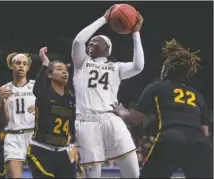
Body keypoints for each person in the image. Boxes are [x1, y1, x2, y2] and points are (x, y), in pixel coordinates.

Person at [111, 39, 213, 178]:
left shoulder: (157, 86)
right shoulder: (197, 95)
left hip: (171, 138)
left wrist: (122, 112)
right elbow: (206, 131)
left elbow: (134, 120)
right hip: (200, 143)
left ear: (167, 69)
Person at [71, 5, 144, 178]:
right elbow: (78, 42)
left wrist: (136, 33)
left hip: (111, 118)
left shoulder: (117, 67)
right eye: (91, 42)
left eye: (96, 42)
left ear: (107, 48)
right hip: (86, 122)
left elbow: (138, 66)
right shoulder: (81, 63)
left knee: (133, 174)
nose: (91, 43)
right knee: (92, 175)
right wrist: (104, 19)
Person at [26, 47, 76, 178]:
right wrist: (45, 63)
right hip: (40, 151)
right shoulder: (44, 93)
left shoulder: (71, 98)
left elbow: (73, 125)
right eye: (59, 69)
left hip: (62, 153)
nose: (65, 72)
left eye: (66, 70)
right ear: (49, 75)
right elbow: (37, 88)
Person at [0, 53, 36, 178]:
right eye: (18, 63)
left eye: (24, 64)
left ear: (28, 68)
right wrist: (3, 102)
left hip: (35, 136)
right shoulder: (4, 89)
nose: (21, 66)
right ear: (11, 66)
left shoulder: (36, 86)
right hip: (13, 137)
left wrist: (40, 108)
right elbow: (3, 121)